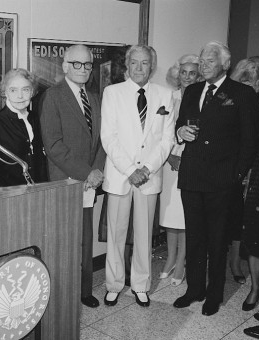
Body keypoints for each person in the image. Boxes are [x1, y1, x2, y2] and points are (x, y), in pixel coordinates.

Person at [174, 41, 258, 316]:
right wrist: (180, 132)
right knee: (195, 237)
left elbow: (250, 140)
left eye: (210, 60)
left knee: (217, 240)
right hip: (192, 176)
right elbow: (179, 123)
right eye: (202, 59)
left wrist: (236, 175)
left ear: (225, 64)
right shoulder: (193, 90)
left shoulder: (242, 93)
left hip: (222, 179)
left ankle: (214, 294)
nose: (204, 64)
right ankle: (194, 289)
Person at [101, 44, 175, 308]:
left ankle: (141, 286)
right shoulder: (113, 93)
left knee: (144, 235)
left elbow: (166, 140)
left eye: (145, 63)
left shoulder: (165, 95)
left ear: (151, 66)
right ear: (127, 65)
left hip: (149, 177)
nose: (140, 68)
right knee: (116, 233)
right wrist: (131, 170)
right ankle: (114, 284)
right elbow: (108, 137)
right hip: (121, 175)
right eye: (135, 63)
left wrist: (147, 169)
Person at [40, 44, 106, 308]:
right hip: (65, 181)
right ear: (65, 66)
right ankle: (63, 296)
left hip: (90, 180)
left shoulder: (95, 97)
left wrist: (97, 170)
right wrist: (87, 172)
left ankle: (85, 290)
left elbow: (102, 139)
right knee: (64, 242)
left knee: (85, 239)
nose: (83, 69)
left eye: (87, 64)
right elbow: (54, 145)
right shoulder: (52, 97)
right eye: (77, 64)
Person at [159, 54, 202, 286]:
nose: (186, 77)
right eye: (183, 72)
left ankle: (182, 260)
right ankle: (171, 258)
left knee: (186, 214)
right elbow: (161, 132)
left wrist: (187, 158)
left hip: (191, 163)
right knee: (169, 214)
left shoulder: (202, 98)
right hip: (169, 162)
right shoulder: (169, 97)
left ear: (199, 75)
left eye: (192, 73)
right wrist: (168, 157)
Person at [227, 58, 259, 285]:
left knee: (245, 218)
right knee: (233, 216)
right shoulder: (231, 100)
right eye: (246, 81)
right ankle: (232, 262)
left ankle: (238, 263)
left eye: (255, 81)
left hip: (255, 169)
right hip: (233, 165)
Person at [0, 68, 47, 190]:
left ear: (32, 92)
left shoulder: (36, 117)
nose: (20, 96)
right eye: (13, 90)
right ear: (5, 92)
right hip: (10, 195)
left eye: (25, 90)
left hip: (37, 191)